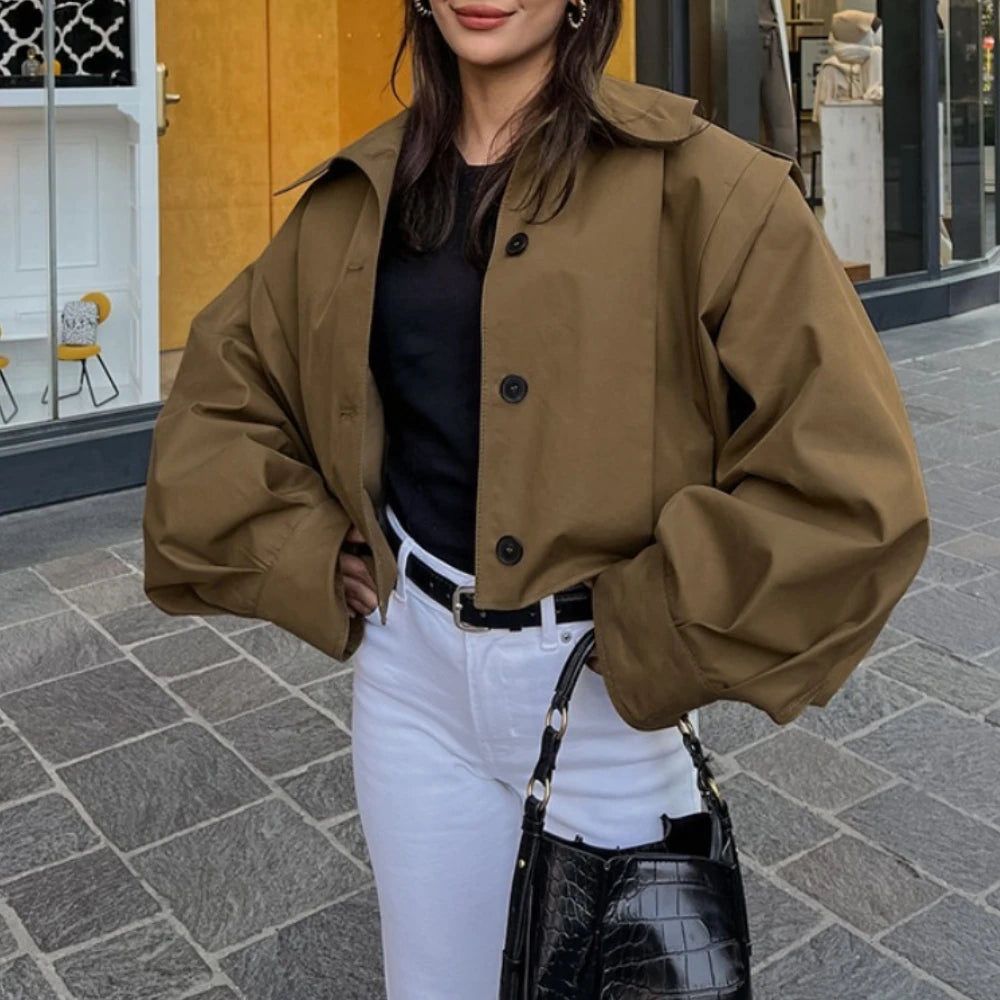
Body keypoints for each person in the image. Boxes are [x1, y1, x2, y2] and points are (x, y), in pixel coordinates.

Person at [142, 1, 930, 996]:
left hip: (603, 700)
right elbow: (219, 399)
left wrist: (660, 626)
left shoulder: (707, 187)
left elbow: (854, 487)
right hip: (410, 684)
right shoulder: (359, 198)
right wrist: (300, 546)